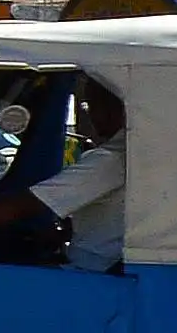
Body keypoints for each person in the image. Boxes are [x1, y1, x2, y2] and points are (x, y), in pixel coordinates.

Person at [30, 80, 132, 271]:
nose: (88, 112)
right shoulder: (132, 153)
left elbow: (31, 203)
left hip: (92, 268)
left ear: (115, 106)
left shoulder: (109, 159)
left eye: (90, 104)